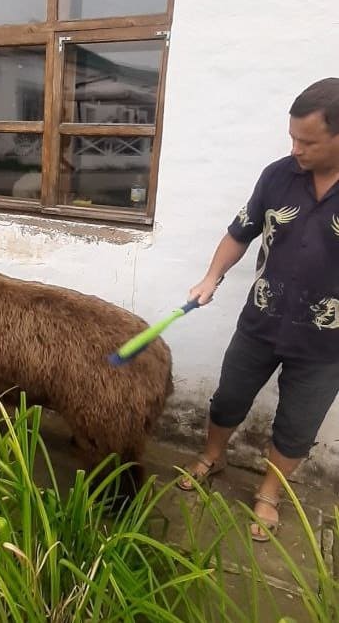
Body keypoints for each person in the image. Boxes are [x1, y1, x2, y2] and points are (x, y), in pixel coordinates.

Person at [177, 77, 339, 542]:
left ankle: (269, 492)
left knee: (297, 425)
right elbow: (240, 232)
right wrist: (212, 277)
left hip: (325, 340)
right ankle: (213, 456)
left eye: (307, 141)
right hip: (261, 321)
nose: (295, 149)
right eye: (291, 137)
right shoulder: (278, 175)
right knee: (228, 398)